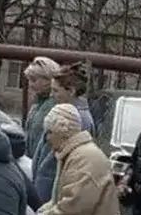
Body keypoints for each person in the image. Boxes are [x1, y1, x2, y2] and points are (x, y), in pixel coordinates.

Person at [30, 63, 94, 207]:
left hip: (52, 191)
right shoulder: (63, 111)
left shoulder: (77, 119)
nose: (51, 95)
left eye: (55, 90)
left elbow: (56, 164)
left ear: (70, 91)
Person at [22, 56, 61, 165]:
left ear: (48, 79)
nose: (31, 84)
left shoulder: (55, 104)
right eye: (29, 80)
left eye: (34, 80)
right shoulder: (37, 102)